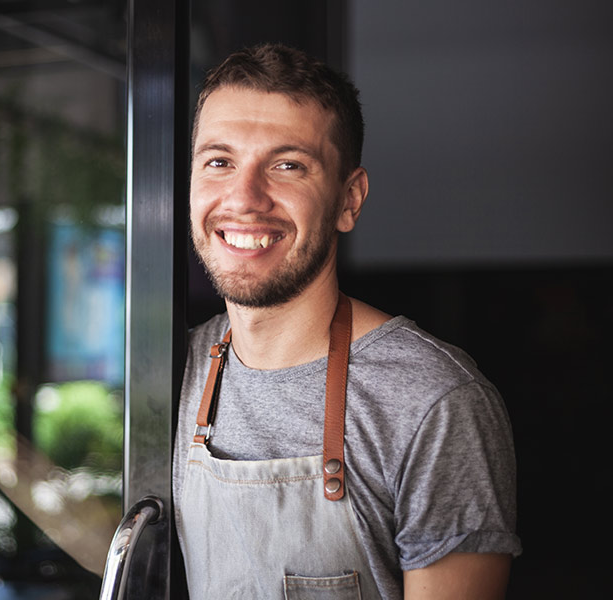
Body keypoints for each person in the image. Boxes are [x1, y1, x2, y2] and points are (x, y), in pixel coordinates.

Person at [172, 43, 521, 600]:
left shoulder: (434, 402)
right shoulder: (172, 372)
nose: (244, 197)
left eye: (287, 165)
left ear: (349, 199)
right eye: (219, 162)